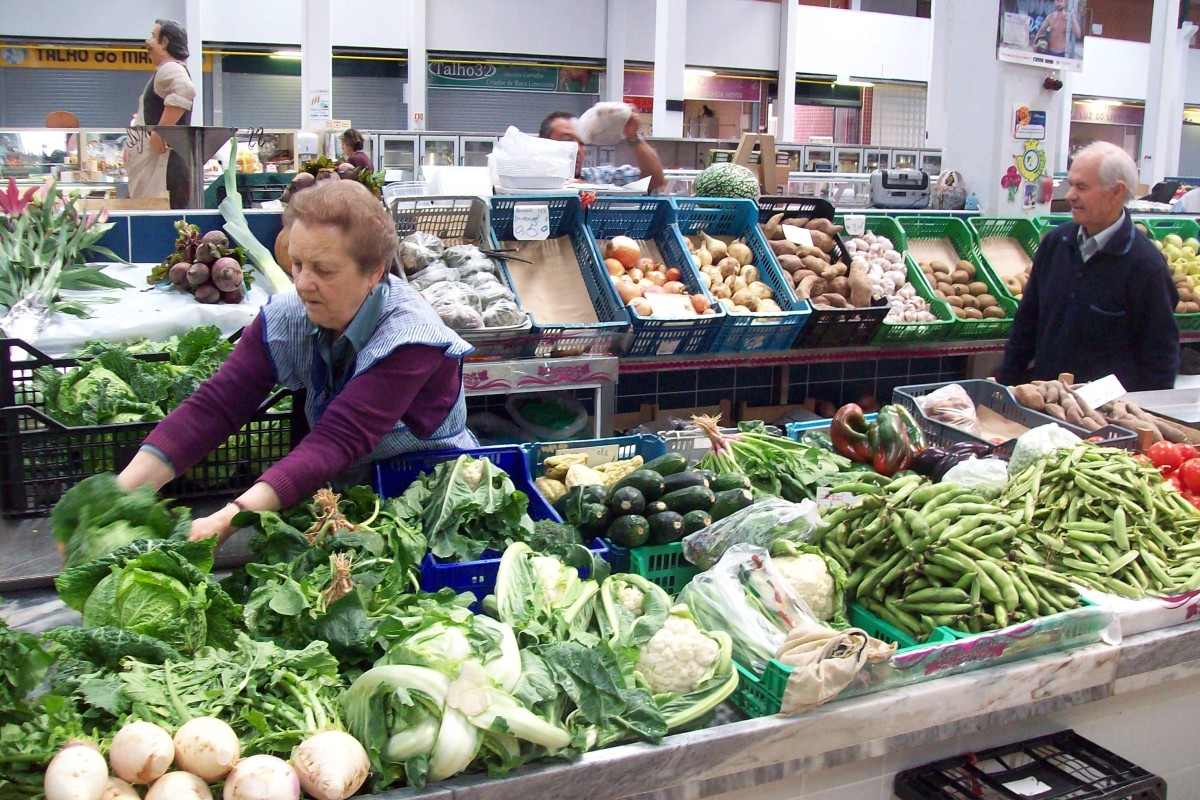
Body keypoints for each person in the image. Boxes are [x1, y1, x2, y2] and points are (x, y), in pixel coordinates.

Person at [116, 180, 478, 545]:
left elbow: (337, 439)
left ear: (374, 273)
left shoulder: (411, 339)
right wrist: (120, 495)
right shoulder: (289, 316)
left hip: (432, 500)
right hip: (344, 496)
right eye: (298, 263)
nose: (303, 283)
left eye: (324, 270)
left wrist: (227, 519)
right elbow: (217, 405)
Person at [998, 141, 1180, 392]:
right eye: (1071, 184)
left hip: (1107, 419)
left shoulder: (1145, 266)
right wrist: (1004, 389)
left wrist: (1144, 420)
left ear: (1116, 192)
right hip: (1046, 403)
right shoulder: (1055, 244)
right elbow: (1026, 325)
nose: (1070, 195)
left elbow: (1160, 356)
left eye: (1081, 187)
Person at [124, 19, 196, 209]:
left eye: (153, 37)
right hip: (157, 169)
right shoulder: (166, 70)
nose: (148, 42)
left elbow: (184, 90)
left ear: (164, 42)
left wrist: (160, 130)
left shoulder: (170, 68)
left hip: (162, 170)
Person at [539, 109, 665, 194]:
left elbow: (654, 180)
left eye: (581, 142)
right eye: (567, 141)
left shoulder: (598, 178)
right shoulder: (530, 185)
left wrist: (633, 136)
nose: (576, 149)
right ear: (544, 146)